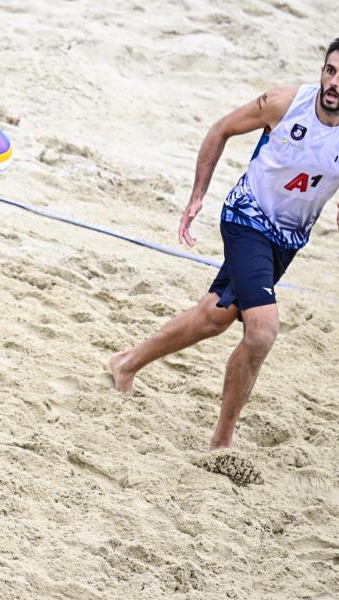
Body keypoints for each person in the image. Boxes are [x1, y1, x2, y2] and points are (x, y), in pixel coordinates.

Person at [110, 39, 339, 451]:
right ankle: (222, 442)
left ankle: (125, 364)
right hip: (246, 219)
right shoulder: (283, 104)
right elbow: (221, 129)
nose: (334, 83)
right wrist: (198, 196)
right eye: (331, 70)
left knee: (214, 316)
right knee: (263, 331)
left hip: (287, 240)